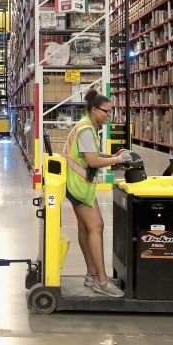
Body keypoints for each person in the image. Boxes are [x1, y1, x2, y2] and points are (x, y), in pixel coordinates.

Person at [61, 89, 134, 298]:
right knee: (97, 226)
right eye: (106, 112)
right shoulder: (86, 129)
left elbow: (90, 155)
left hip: (78, 184)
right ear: (94, 110)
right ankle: (101, 280)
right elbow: (92, 161)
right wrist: (119, 160)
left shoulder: (88, 126)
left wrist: (112, 155)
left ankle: (91, 274)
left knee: (85, 228)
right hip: (79, 185)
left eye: (111, 112)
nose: (108, 116)